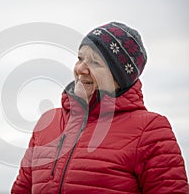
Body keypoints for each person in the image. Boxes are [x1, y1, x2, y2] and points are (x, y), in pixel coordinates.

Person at [11, 22, 189, 193]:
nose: (81, 68)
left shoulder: (150, 130)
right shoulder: (48, 122)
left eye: (95, 63)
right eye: (80, 58)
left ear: (118, 78)